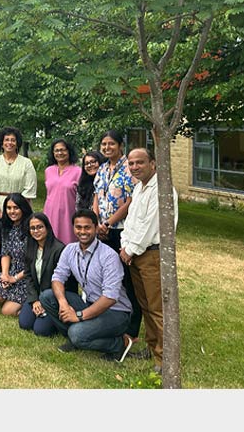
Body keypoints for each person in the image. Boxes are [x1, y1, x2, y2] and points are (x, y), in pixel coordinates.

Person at [40, 210, 136, 362]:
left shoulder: (109, 256)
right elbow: (57, 278)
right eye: (78, 227)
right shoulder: (70, 250)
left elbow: (110, 298)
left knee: (77, 333)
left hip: (116, 312)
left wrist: (78, 316)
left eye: (87, 227)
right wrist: (63, 303)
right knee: (47, 296)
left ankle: (119, 344)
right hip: (90, 304)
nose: (82, 232)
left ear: (96, 227)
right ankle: (77, 336)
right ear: (73, 228)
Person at [120, 147, 172, 367]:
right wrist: (125, 246)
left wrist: (129, 250)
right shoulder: (140, 188)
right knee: (146, 306)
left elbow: (150, 226)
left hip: (150, 255)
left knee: (157, 308)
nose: (134, 167)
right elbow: (131, 223)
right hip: (135, 255)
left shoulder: (161, 189)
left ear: (153, 163)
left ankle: (164, 360)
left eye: (139, 162)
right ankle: (153, 349)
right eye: (131, 163)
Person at [92, 130, 141, 339]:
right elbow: (97, 196)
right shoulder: (102, 168)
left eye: (111, 144)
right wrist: (96, 223)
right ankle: (109, 317)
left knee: (127, 279)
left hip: (120, 230)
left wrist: (108, 223)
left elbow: (131, 201)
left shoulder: (129, 169)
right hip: (101, 231)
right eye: (104, 144)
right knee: (107, 276)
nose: (107, 148)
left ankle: (132, 328)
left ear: (120, 145)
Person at [0, 193, 37, 318]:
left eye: (16, 208)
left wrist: (15, 279)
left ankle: (29, 306)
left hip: (28, 274)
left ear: (23, 209)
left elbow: (34, 262)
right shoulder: (7, 226)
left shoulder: (31, 228)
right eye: (9, 208)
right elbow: (5, 253)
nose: (12, 211)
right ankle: (13, 298)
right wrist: (5, 275)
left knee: (7, 312)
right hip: (12, 270)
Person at [18, 211, 68, 336]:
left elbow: (62, 281)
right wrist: (34, 300)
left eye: (40, 227)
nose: (36, 231)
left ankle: (54, 318)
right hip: (37, 295)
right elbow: (28, 275)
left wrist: (45, 302)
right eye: (32, 228)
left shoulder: (59, 249)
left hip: (53, 297)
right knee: (24, 324)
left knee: (41, 330)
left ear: (47, 227)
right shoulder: (29, 246)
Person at [0, 127, 38, 212]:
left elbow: (30, 189)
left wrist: (18, 209)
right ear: (2, 143)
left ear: (17, 143)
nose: (9, 142)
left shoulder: (26, 163)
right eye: (6, 140)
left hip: (21, 206)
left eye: (13, 140)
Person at [43, 138, 83, 245]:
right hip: (50, 213)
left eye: (63, 150)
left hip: (69, 214)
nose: (60, 153)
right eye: (57, 150)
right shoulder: (48, 171)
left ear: (69, 151)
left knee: (68, 244)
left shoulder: (78, 171)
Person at [75, 150, 102, 230]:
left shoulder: (105, 183)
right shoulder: (82, 186)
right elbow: (78, 208)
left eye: (93, 162)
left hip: (106, 227)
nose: (90, 165)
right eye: (86, 163)